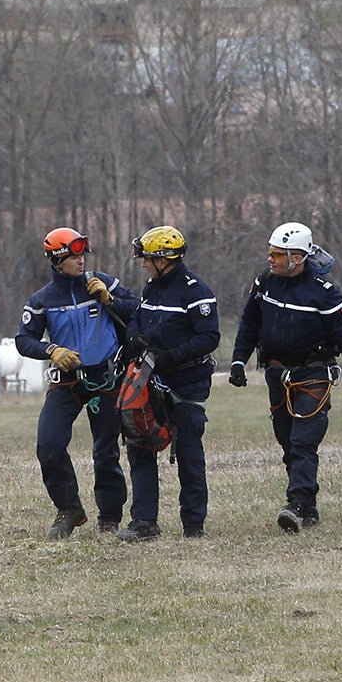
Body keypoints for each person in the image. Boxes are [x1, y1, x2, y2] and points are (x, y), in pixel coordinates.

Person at [229, 220, 342, 532]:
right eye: (270, 252)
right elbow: (249, 322)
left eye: (278, 254)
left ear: (297, 257)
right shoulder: (265, 282)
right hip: (277, 373)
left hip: (314, 374)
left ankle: (296, 503)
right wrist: (239, 361)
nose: (271, 258)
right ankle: (307, 508)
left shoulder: (324, 294)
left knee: (302, 442)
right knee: (287, 443)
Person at [15, 226, 139, 539]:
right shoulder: (42, 300)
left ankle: (109, 518)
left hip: (106, 378)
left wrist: (109, 300)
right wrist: (51, 349)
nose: (81, 259)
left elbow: (139, 311)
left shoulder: (103, 282)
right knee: (49, 444)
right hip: (67, 382)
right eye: (73, 254)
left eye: (83, 253)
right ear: (57, 260)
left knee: (105, 451)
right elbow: (23, 340)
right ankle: (69, 509)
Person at [119, 225, 219, 541]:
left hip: (187, 384)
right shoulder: (151, 288)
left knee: (189, 452)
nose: (144, 264)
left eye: (147, 259)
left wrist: (169, 357)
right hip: (150, 381)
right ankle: (144, 523)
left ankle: (193, 525)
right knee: (139, 445)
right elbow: (137, 315)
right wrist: (134, 336)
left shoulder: (196, 292)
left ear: (163, 260)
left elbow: (209, 338)